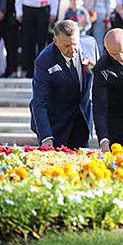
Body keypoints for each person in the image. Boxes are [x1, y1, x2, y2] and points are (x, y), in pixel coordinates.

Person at [31, 19, 99, 150]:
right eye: (67, 46)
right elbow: (39, 102)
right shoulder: (44, 61)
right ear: (55, 42)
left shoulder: (90, 45)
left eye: (75, 43)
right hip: (55, 121)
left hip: (81, 119)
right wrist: (46, 137)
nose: (73, 50)